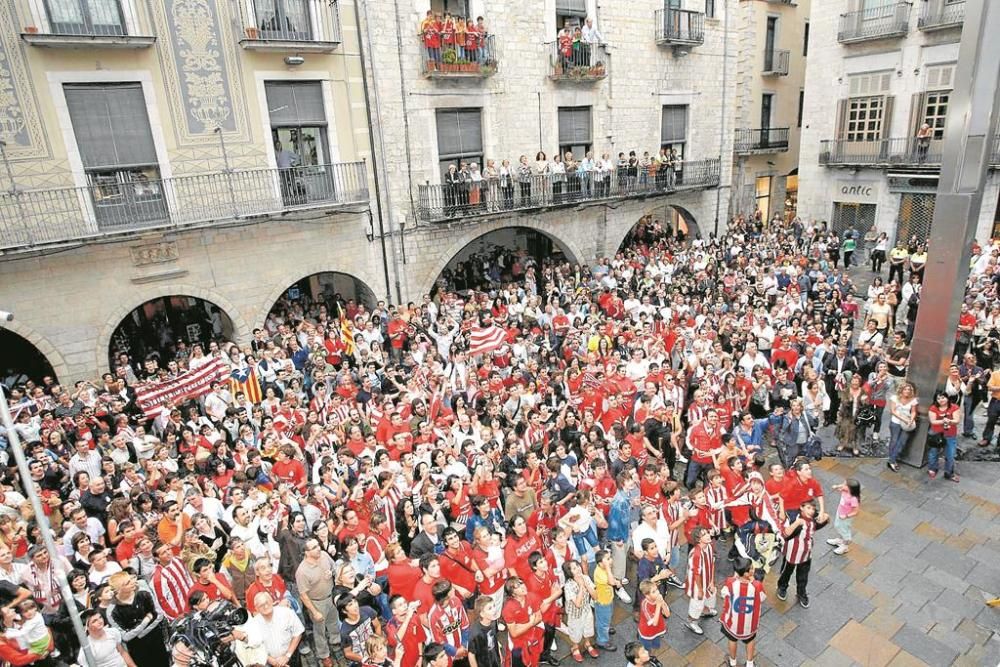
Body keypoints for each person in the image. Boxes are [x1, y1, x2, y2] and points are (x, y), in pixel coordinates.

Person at [296, 538, 341, 667]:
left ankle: (336, 643)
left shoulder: (325, 556)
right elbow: (303, 595)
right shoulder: (302, 571)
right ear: (306, 552)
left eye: (318, 545)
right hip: (317, 602)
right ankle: (324, 655)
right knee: (319, 630)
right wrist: (314, 612)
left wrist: (332, 573)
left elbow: (336, 567)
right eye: (314, 547)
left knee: (333, 622)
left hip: (331, 596)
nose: (318, 548)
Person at [776, 499, 828, 608]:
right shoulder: (793, 517)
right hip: (792, 552)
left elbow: (826, 517)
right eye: (808, 508)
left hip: (806, 552)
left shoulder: (813, 520)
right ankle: (782, 587)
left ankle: (801, 592)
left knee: (803, 575)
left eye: (813, 509)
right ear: (801, 507)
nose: (811, 511)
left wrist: (822, 513)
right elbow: (785, 533)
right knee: (787, 571)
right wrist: (796, 523)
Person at [719, 557, 766, 667]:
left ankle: (733, 662)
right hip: (749, 624)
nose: (753, 570)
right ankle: (749, 663)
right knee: (750, 641)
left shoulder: (730, 582)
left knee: (732, 640)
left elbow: (723, 594)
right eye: (751, 569)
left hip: (732, 622)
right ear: (746, 573)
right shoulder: (757, 586)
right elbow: (762, 597)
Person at [684, 527, 716, 636]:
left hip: (707, 580)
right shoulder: (696, 554)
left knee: (709, 597)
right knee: (697, 602)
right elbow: (696, 574)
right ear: (698, 539)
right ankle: (691, 621)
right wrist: (701, 589)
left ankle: (705, 610)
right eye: (704, 535)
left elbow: (712, 564)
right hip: (697, 584)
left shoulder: (709, 547)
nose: (708, 535)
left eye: (707, 532)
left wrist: (711, 581)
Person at [927, 391, 961, 482]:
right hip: (936, 434)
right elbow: (933, 421)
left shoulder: (954, 407)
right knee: (933, 453)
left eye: (943, 397)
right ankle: (932, 468)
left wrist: (948, 421)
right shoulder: (933, 408)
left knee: (950, 454)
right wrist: (944, 421)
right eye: (938, 398)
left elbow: (957, 420)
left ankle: (949, 472)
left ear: (947, 398)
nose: (941, 400)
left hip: (950, 434)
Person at [887, 381, 918, 472]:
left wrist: (911, 419)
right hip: (896, 422)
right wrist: (903, 419)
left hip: (907, 423)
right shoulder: (895, 398)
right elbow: (892, 411)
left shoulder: (913, 400)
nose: (907, 391)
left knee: (902, 442)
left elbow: (913, 411)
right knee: (894, 440)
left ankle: (892, 458)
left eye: (909, 389)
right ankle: (892, 460)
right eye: (905, 389)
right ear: (902, 390)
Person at [826, 479, 861, 555]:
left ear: (850, 488)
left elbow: (856, 511)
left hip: (845, 517)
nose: (842, 485)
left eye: (845, 485)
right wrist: (837, 486)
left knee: (844, 530)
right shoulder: (845, 491)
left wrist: (846, 516)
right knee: (837, 526)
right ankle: (840, 540)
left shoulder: (853, 499)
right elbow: (841, 486)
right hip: (840, 513)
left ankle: (845, 545)